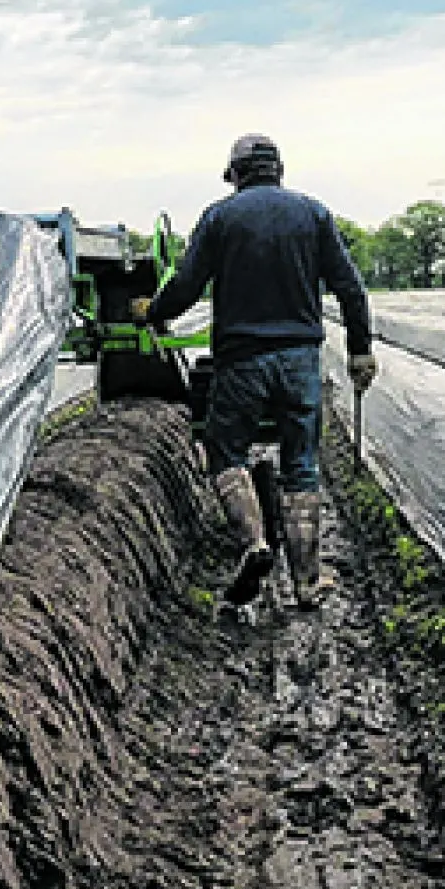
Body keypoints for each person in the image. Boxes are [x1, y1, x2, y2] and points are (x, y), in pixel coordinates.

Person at [139, 134, 376, 608]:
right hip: (300, 361)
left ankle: (255, 543)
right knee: (301, 467)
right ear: (278, 170)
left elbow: (186, 285)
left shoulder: (220, 217)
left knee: (226, 454)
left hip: (241, 361)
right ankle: (307, 580)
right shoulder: (314, 214)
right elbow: (352, 288)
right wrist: (359, 350)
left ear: (237, 175)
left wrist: (153, 311)